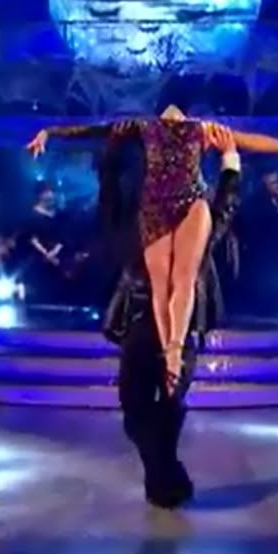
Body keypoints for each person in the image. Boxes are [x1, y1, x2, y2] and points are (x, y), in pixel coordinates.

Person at [28, 106, 278, 392]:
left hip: (191, 202)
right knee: (163, 285)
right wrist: (50, 132)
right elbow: (93, 130)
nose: (173, 115)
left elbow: (247, 140)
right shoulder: (146, 127)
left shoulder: (197, 128)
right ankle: (169, 354)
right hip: (155, 206)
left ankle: (174, 351)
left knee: (182, 280)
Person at [99, 122, 242, 508]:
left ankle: (164, 482)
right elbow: (110, 201)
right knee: (134, 409)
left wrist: (230, 162)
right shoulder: (140, 216)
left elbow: (225, 207)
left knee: (169, 407)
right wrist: (112, 154)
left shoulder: (198, 219)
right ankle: (166, 474)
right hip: (139, 320)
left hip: (182, 327)